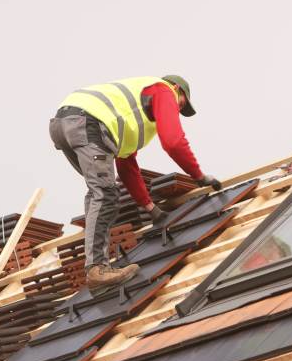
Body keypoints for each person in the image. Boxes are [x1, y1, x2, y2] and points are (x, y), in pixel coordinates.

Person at [49, 75, 222, 294]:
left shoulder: (131, 118)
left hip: (65, 124)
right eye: (181, 104)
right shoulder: (163, 90)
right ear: (177, 89)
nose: (176, 111)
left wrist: (151, 208)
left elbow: (127, 167)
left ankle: (96, 267)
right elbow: (173, 142)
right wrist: (199, 176)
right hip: (87, 122)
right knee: (105, 194)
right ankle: (97, 269)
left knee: (99, 192)